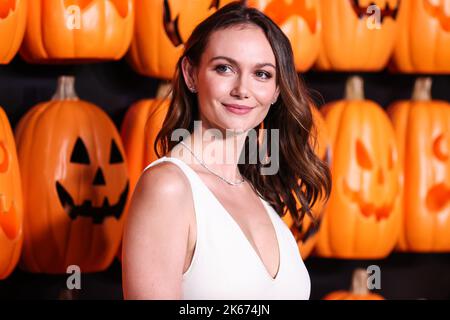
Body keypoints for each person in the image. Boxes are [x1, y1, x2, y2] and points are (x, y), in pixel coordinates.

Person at [122, 1, 331, 300]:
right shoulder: (169, 187)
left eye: (262, 74)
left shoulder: (258, 192)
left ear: (276, 91)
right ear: (191, 75)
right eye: (224, 68)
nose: (242, 89)